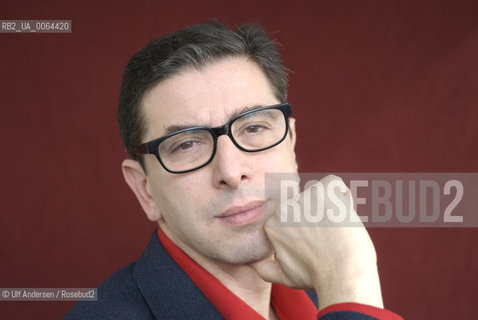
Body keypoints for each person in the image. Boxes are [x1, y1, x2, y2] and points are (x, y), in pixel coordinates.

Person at [65, 21, 402, 319]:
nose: (231, 170)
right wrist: (351, 280)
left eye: (254, 128)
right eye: (186, 145)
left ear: (291, 144)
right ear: (144, 189)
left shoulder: (324, 299)